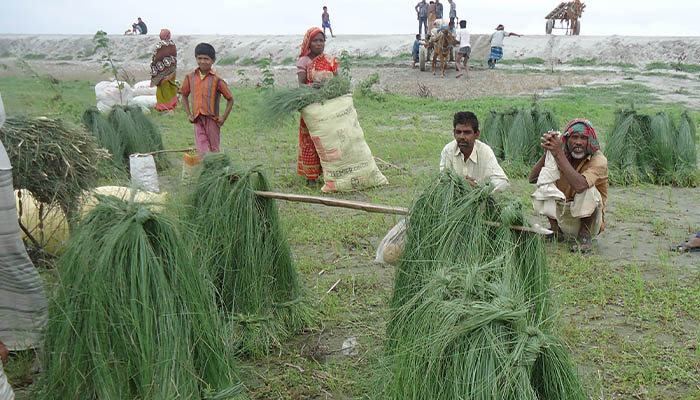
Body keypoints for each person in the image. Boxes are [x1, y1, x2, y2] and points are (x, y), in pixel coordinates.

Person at [528, 119, 608, 253]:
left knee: (587, 188)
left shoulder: (599, 160)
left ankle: (584, 237)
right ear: (567, 140)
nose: (578, 142)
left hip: (590, 223)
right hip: (563, 218)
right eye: (574, 137)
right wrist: (549, 152)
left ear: (590, 141)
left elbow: (580, 186)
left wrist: (559, 155)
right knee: (545, 183)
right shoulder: (561, 155)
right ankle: (556, 232)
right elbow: (533, 179)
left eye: (583, 138)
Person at [297, 27, 339, 186]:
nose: (319, 43)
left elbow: (337, 80)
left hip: (328, 105)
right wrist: (312, 87)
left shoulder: (329, 60)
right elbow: (300, 85)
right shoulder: (304, 61)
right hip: (311, 106)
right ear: (309, 42)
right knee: (312, 139)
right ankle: (311, 176)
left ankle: (329, 172)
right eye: (315, 40)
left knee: (328, 139)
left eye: (321, 40)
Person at [179, 43, 234, 159]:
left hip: (212, 120)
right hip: (197, 119)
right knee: (202, 148)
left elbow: (230, 99)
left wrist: (223, 118)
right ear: (196, 59)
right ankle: (205, 169)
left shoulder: (217, 80)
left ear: (213, 60)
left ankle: (215, 171)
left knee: (214, 149)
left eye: (206, 59)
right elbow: (184, 95)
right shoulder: (190, 77)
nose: (203, 61)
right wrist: (189, 114)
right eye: (200, 58)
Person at [440, 111, 510, 193]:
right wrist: (460, 184)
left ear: (477, 134)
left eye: (467, 132)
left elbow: (502, 182)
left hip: (479, 200)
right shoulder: (448, 151)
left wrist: (479, 188)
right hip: (454, 200)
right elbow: (442, 180)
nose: (462, 137)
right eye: (458, 132)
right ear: (454, 133)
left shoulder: (485, 151)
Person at [150, 29, 178, 112]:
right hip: (172, 69)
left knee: (163, 89)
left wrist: (154, 67)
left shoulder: (160, 45)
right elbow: (174, 56)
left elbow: (156, 58)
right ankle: (172, 104)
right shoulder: (172, 44)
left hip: (162, 72)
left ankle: (163, 106)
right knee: (172, 86)